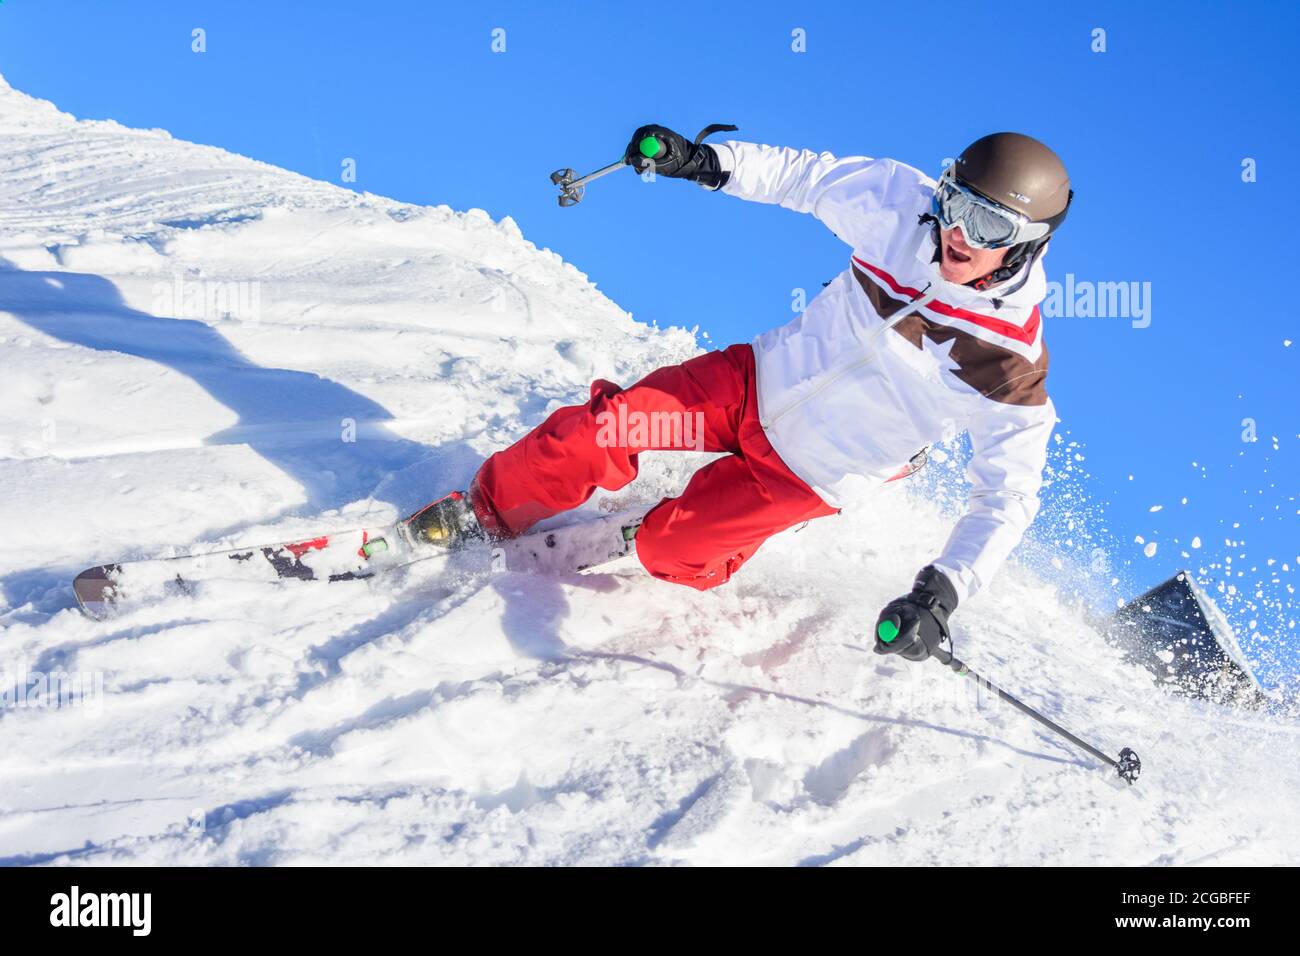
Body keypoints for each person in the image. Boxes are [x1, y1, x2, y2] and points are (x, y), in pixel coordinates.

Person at [414, 125, 1072, 664]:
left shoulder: (1008, 359)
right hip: (756, 379)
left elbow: (1008, 495)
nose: (958, 234)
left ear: (1027, 246)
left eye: (988, 227)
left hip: (814, 472)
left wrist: (942, 592)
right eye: (956, 204)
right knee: (602, 430)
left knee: (673, 550)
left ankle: (678, 538)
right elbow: (804, 177)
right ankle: (488, 509)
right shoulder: (904, 206)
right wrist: (705, 161)